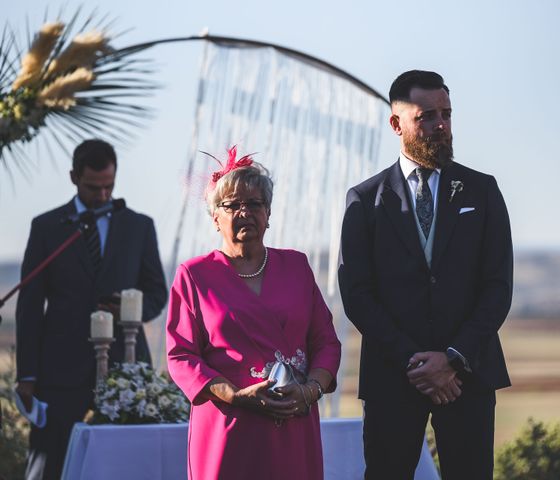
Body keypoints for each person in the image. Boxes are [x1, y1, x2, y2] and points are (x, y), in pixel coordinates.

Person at [338, 70, 513, 480]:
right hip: (393, 378)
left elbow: (498, 286)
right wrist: (415, 363)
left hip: (466, 377)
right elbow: (357, 294)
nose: (441, 125)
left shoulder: (482, 191)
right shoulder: (364, 201)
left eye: (446, 114)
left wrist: (452, 359)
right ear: (396, 123)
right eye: (427, 116)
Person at [166, 146, 341, 480]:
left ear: (269, 213)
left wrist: (309, 391)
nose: (245, 212)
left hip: (292, 423)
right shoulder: (194, 275)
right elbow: (181, 356)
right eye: (232, 205)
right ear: (215, 217)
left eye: (255, 204)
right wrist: (233, 395)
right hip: (228, 426)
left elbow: (327, 343)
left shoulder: (297, 266)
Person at [15, 139, 168, 480]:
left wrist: (130, 309)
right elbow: (29, 304)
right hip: (60, 373)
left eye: (109, 187)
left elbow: (158, 293)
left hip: (125, 370)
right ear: (73, 177)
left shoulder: (139, 226)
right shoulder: (47, 227)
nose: (102, 195)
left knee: (128, 467)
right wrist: (27, 375)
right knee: (51, 466)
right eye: (93, 187)